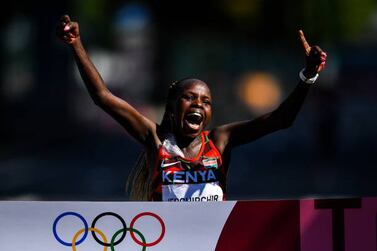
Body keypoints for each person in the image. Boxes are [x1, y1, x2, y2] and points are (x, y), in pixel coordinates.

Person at [56, 15, 327, 202]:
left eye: (205, 101)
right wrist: (76, 44)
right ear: (172, 108)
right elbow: (102, 96)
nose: (198, 104)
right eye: (190, 98)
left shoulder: (221, 141)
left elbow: (281, 119)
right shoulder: (155, 139)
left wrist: (309, 76)